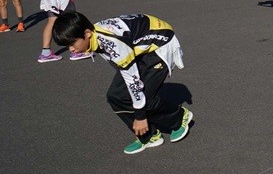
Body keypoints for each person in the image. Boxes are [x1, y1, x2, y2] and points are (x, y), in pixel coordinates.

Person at [52, 12, 193, 155]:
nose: (71, 49)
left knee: (144, 99)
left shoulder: (111, 42)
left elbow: (133, 80)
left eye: (72, 43)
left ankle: (179, 117)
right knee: (116, 95)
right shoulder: (96, 37)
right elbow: (122, 67)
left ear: (87, 33)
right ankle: (149, 136)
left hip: (161, 45)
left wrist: (140, 116)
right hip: (138, 48)